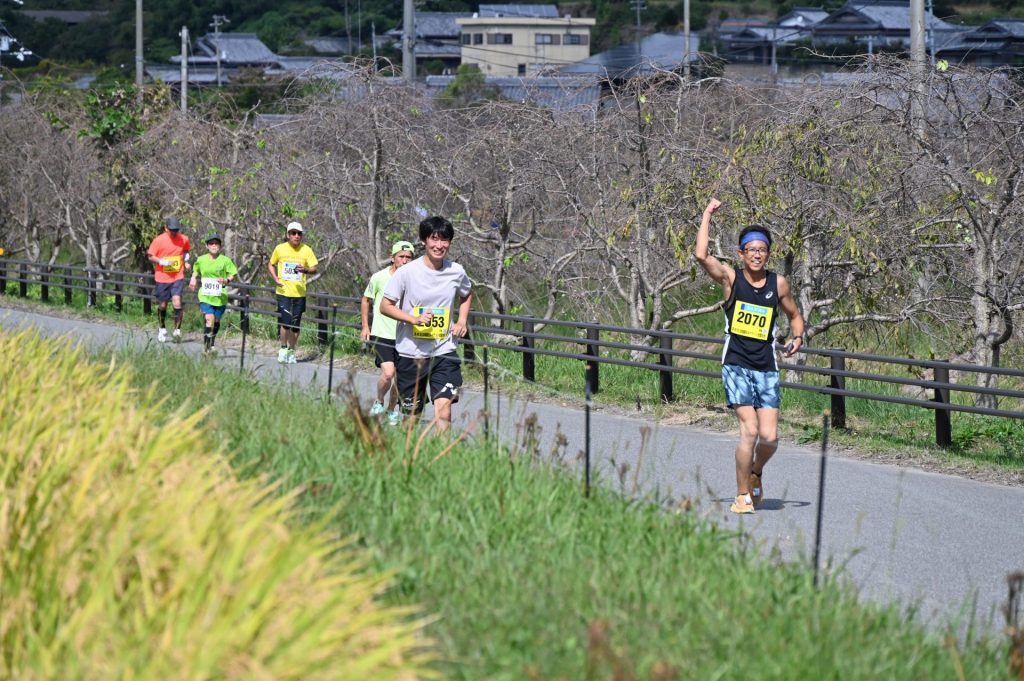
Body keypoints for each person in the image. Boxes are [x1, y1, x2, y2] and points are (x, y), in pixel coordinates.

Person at [695, 198, 805, 514]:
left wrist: (798, 336)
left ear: (768, 254)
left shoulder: (778, 283)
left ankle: (755, 473)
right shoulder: (732, 279)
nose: (757, 254)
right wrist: (707, 215)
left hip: (766, 366)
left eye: (762, 250)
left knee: (770, 438)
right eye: (750, 249)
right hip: (736, 364)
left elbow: (795, 315)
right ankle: (742, 495)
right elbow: (701, 255)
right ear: (741, 254)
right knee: (751, 430)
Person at [380, 216, 472, 433]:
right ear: (424, 241)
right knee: (412, 417)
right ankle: (410, 458)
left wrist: (461, 320)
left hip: (444, 350)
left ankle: (442, 460)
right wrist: (413, 319)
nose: (439, 246)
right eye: (434, 239)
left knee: (445, 410)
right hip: (411, 353)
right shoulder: (406, 272)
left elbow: (467, 294)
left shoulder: (456, 271)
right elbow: (385, 306)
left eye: (445, 240)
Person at [361, 240, 416, 426]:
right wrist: (365, 326)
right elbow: (366, 300)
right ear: (393, 258)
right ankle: (379, 401)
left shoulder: (415, 280)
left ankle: (392, 410)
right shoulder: (379, 277)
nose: (405, 260)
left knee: (400, 378)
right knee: (388, 373)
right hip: (382, 333)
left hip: (405, 335)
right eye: (401, 257)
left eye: (409, 257)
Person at [268, 221, 318, 364]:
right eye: (293, 233)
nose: (296, 236)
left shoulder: (306, 250)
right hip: (283, 291)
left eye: (299, 234)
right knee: (286, 321)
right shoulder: (280, 249)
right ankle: (283, 348)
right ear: (288, 235)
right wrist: (275, 278)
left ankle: (291, 350)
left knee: (296, 324)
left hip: (299, 293)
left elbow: (314, 267)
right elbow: (271, 264)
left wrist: (306, 270)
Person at [189, 233, 238, 354]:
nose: (214, 245)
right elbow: (196, 270)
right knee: (209, 319)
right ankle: (206, 348)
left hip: (220, 296)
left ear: (220, 246)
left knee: (216, 321)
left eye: (216, 243)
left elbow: (233, 274)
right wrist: (193, 278)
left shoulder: (225, 260)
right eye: (211, 243)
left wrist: (227, 280)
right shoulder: (201, 259)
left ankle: (212, 342)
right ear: (207, 246)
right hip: (205, 295)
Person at [147, 216, 192, 343]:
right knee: (163, 305)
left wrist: (187, 261)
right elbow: (150, 256)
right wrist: (163, 262)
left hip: (178, 276)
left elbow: (186, 251)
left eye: (176, 230)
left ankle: (177, 330)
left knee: (177, 302)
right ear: (166, 228)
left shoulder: (184, 239)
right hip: (162, 277)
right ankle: (162, 328)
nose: (174, 232)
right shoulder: (158, 240)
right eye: (171, 230)